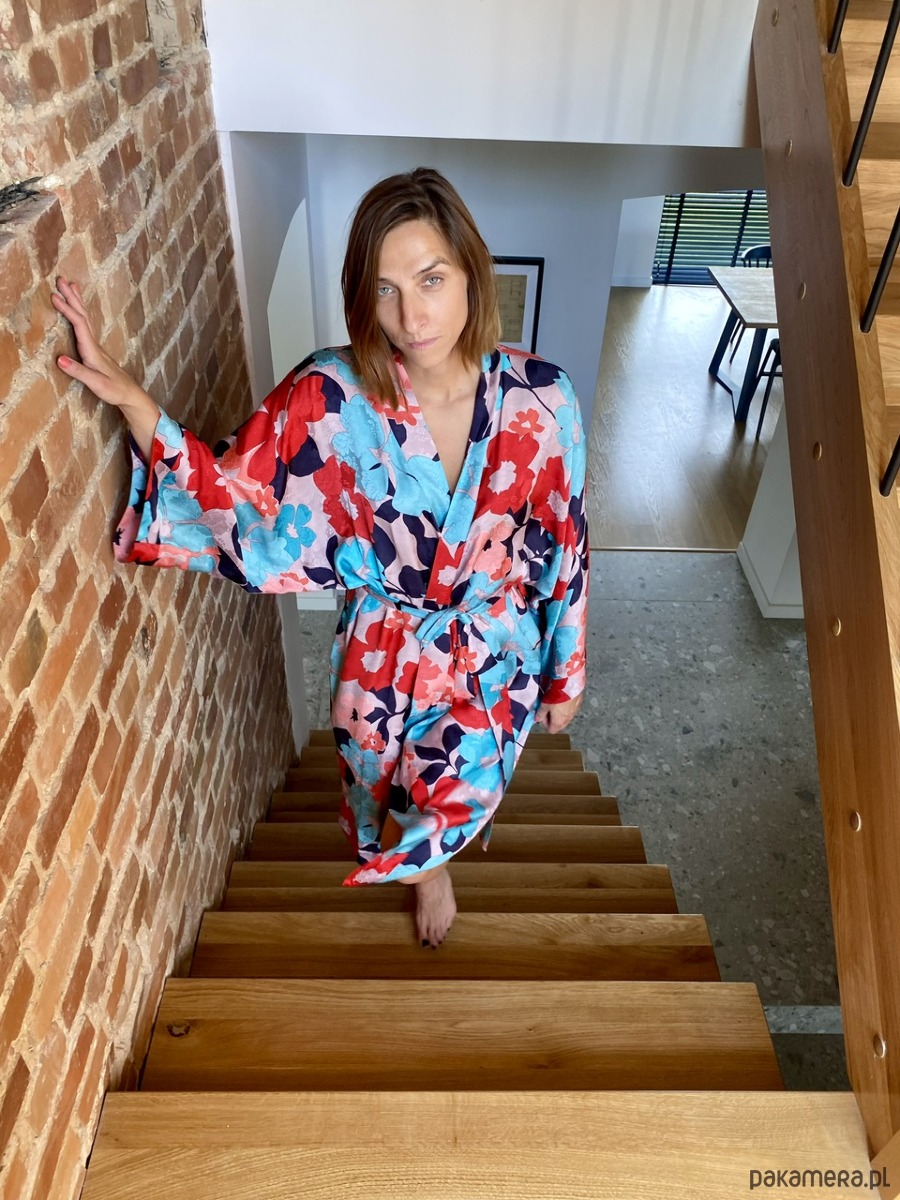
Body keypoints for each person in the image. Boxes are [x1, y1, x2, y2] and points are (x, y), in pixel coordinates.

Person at [51, 167, 589, 949]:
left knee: (451, 799)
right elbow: (241, 497)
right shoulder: (331, 395)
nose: (411, 315)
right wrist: (138, 405)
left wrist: (567, 671)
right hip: (380, 657)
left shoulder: (546, 400)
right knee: (379, 805)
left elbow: (568, 542)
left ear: (471, 272)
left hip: (489, 649)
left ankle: (432, 864)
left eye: (431, 278)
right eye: (385, 289)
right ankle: (425, 875)